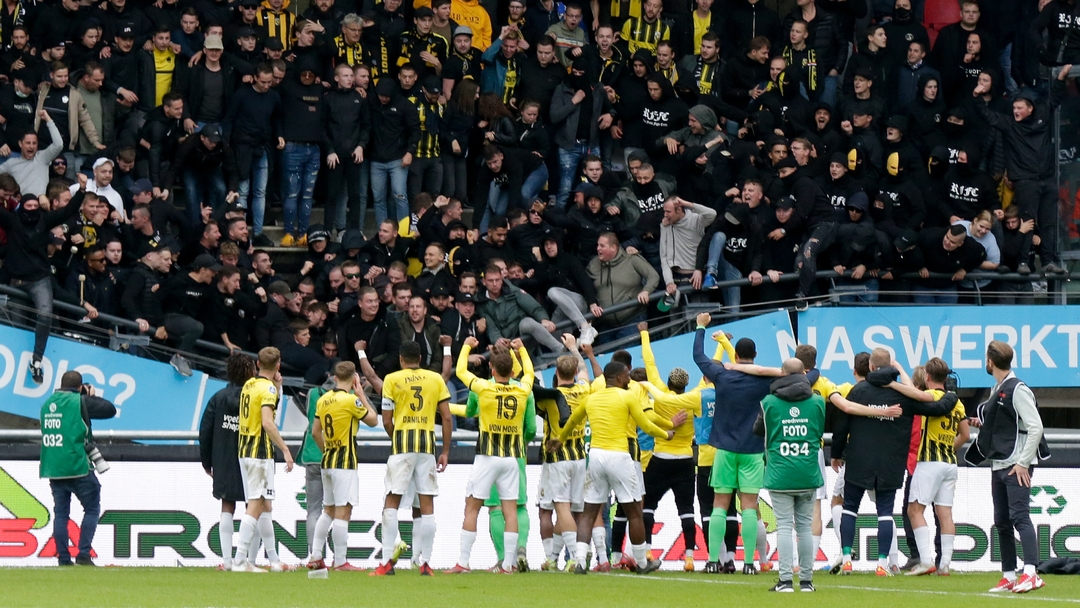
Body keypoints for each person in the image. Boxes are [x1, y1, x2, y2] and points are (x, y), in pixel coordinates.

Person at [832, 348, 960, 576]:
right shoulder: (903, 396)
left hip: (859, 457)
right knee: (885, 512)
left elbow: (842, 425)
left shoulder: (857, 391)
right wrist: (951, 394)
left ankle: (846, 559)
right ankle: (882, 563)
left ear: (871, 367)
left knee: (850, 508)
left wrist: (837, 453)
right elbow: (936, 408)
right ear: (890, 367)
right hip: (891, 461)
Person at [552, 359, 675, 575]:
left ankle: (580, 562)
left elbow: (572, 422)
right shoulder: (627, 396)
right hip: (619, 455)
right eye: (627, 375)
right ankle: (642, 563)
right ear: (619, 378)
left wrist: (560, 439)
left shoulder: (592, 398)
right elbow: (645, 425)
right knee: (635, 511)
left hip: (596, 456)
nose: (629, 378)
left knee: (589, 511)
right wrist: (667, 434)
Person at [692, 313, 773, 575]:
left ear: (735, 356)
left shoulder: (722, 375)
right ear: (755, 355)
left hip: (725, 450)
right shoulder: (765, 380)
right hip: (752, 450)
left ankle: (714, 560)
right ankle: (749, 563)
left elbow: (699, 357)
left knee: (719, 505)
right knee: (749, 507)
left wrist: (701, 328)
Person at [447, 336, 533, 574]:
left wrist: (466, 346)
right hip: (511, 458)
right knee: (510, 509)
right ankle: (508, 565)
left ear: (492, 369)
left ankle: (463, 562)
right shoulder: (522, 390)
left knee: (472, 507)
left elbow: (462, 370)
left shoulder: (484, 387)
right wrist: (523, 350)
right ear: (512, 370)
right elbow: (530, 374)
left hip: (487, 455)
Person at [972, 341, 1049, 594]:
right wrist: (981, 425)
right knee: (1002, 521)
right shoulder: (999, 388)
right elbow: (1007, 425)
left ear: (990, 362)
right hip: (999, 463)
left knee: (1020, 517)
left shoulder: (1017, 389)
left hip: (1015, 466)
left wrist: (1023, 462)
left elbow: (1035, 427)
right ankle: (1008, 575)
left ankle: (1031, 573)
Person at [373, 341, 453, 576]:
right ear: (420, 358)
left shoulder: (392, 379)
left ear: (400, 359)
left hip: (402, 446)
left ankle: (387, 562)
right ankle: (425, 563)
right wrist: (446, 451)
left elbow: (386, 420)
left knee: (392, 502)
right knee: (426, 506)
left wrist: (396, 436)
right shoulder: (435, 379)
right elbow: (446, 417)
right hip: (427, 446)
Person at [756, 358, 824, 593]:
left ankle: (785, 581)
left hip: (780, 472)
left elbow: (758, 430)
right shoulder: (817, 402)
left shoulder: (769, 403)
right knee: (804, 527)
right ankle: (806, 582)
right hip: (807, 471)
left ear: (783, 373)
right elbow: (818, 430)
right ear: (804, 372)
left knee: (784, 526)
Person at [39, 371, 117, 567]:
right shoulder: (80, 402)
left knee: (61, 514)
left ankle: (63, 559)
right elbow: (110, 410)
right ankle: (83, 554)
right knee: (91, 509)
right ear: (80, 386)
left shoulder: (47, 404)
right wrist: (90, 396)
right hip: (78, 465)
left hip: (54, 467)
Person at [308, 362, 379, 572]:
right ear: (354, 378)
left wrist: (327, 450)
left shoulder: (323, 400)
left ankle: (315, 556)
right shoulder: (351, 401)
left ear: (335, 377)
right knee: (343, 510)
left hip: (327, 460)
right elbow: (374, 420)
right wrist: (361, 395)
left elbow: (315, 432)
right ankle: (340, 561)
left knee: (327, 510)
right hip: (345, 462)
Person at [902, 358, 969, 577]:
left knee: (915, 510)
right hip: (950, 462)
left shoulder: (932, 396)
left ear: (927, 377)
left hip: (929, 461)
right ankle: (945, 565)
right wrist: (948, 446)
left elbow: (914, 394)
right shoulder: (957, 403)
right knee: (945, 514)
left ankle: (926, 561)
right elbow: (965, 435)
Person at [231, 347, 295, 573]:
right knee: (257, 504)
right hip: (259, 452)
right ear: (278, 365)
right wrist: (285, 449)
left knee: (265, 505)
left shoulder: (250, 384)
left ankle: (275, 561)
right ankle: (239, 560)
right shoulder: (266, 388)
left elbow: (265, 405)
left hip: (244, 450)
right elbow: (268, 422)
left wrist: (277, 386)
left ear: (258, 364)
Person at [198, 353, 255, 571]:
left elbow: (205, 430)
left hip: (223, 458)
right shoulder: (255, 398)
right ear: (251, 372)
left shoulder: (218, 398)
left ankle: (228, 562)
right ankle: (249, 561)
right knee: (254, 507)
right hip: (251, 458)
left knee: (227, 505)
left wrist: (206, 461)